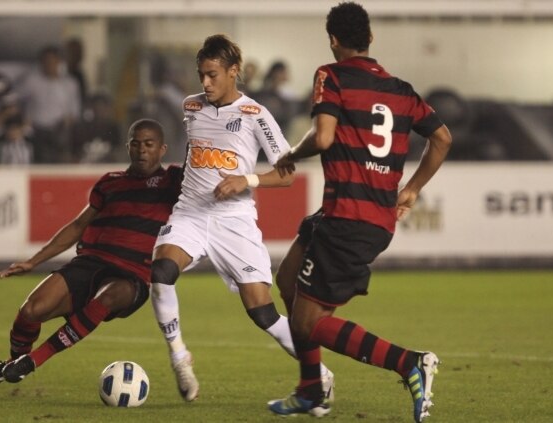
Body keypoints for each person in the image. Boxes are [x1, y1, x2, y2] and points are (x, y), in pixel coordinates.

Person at [267, 3, 452, 421]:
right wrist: (413, 189)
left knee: (308, 322)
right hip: (351, 216)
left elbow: (324, 136)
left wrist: (291, 155)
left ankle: (409, 362)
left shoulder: (330, 76)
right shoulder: (401, 90)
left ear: (333, 39)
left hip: (351, 220)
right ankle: (311, 389)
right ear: (369, 38)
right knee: (287, 279)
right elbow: (441, 138)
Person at [149, 34, 333, 403]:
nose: (205, 83)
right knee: (160, 273)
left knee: (262, 312)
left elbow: (286, 174)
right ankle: (179, 355)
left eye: (213, 74)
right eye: (201, 74)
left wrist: (245, 180)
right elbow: (196, 156)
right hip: (191, 213)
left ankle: (318, 374)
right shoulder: (191, 106)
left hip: (234, 221)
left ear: (234, 72)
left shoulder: (256, 115)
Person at [0, 118, 183, 387]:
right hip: (89, 263)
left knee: (107, 297)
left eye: (149, 144)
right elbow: (77, 226)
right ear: (127, 147)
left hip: (132, 275)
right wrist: (33, 261)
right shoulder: (110, 182)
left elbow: (201, 174)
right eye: (136, 144)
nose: (142, 150)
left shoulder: (174, 181)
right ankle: (15, 362)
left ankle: (34, 360)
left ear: (162, 149)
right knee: (31, 310)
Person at [18, 45, 81, 163]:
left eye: (53, 61)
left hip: (60, 130)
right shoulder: (31, 81)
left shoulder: (70, 84)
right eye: (46, 62)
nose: (50, 65)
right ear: (41, 63)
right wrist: (23, 120)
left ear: (59, 62)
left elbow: (74, 111)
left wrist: (68, 120)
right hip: (37, 129)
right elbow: (15, 100)